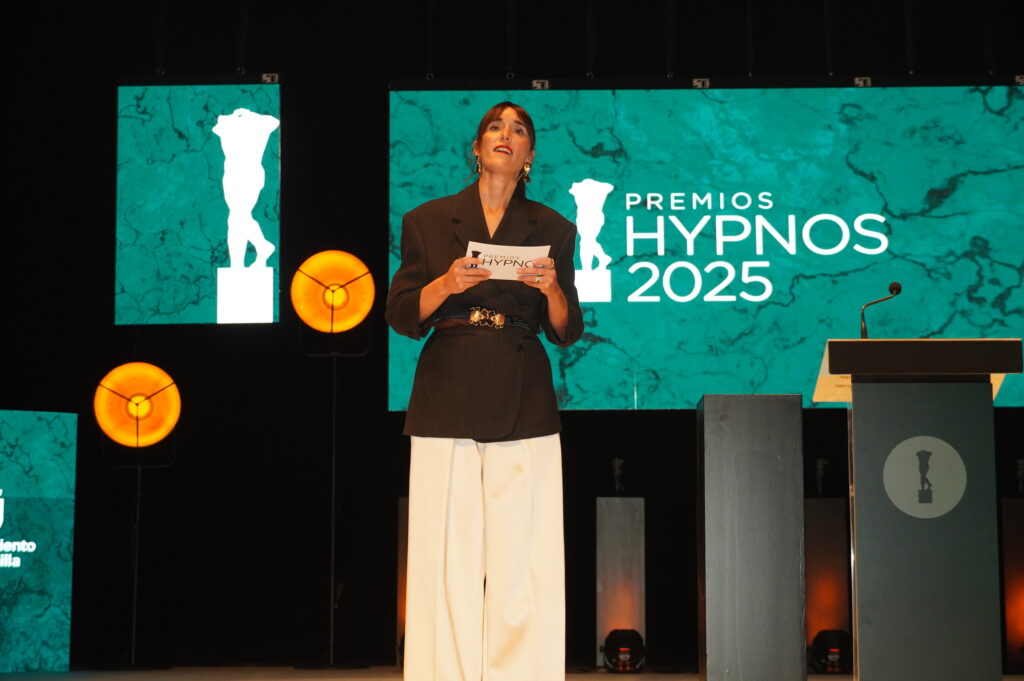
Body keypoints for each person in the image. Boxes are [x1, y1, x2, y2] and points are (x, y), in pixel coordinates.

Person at [387, 102, 584, 681]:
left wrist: (551, 290)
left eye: (519, 130)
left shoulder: (554, 229)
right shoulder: (426, 220)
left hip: (523, 390)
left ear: (529, 156)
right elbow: (401, 313)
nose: (506, 134)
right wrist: (447, 282)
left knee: (523, 556)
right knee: (446, 554)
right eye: (495, 127)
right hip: (447, 386)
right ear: (476, 148)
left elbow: (566, 329)